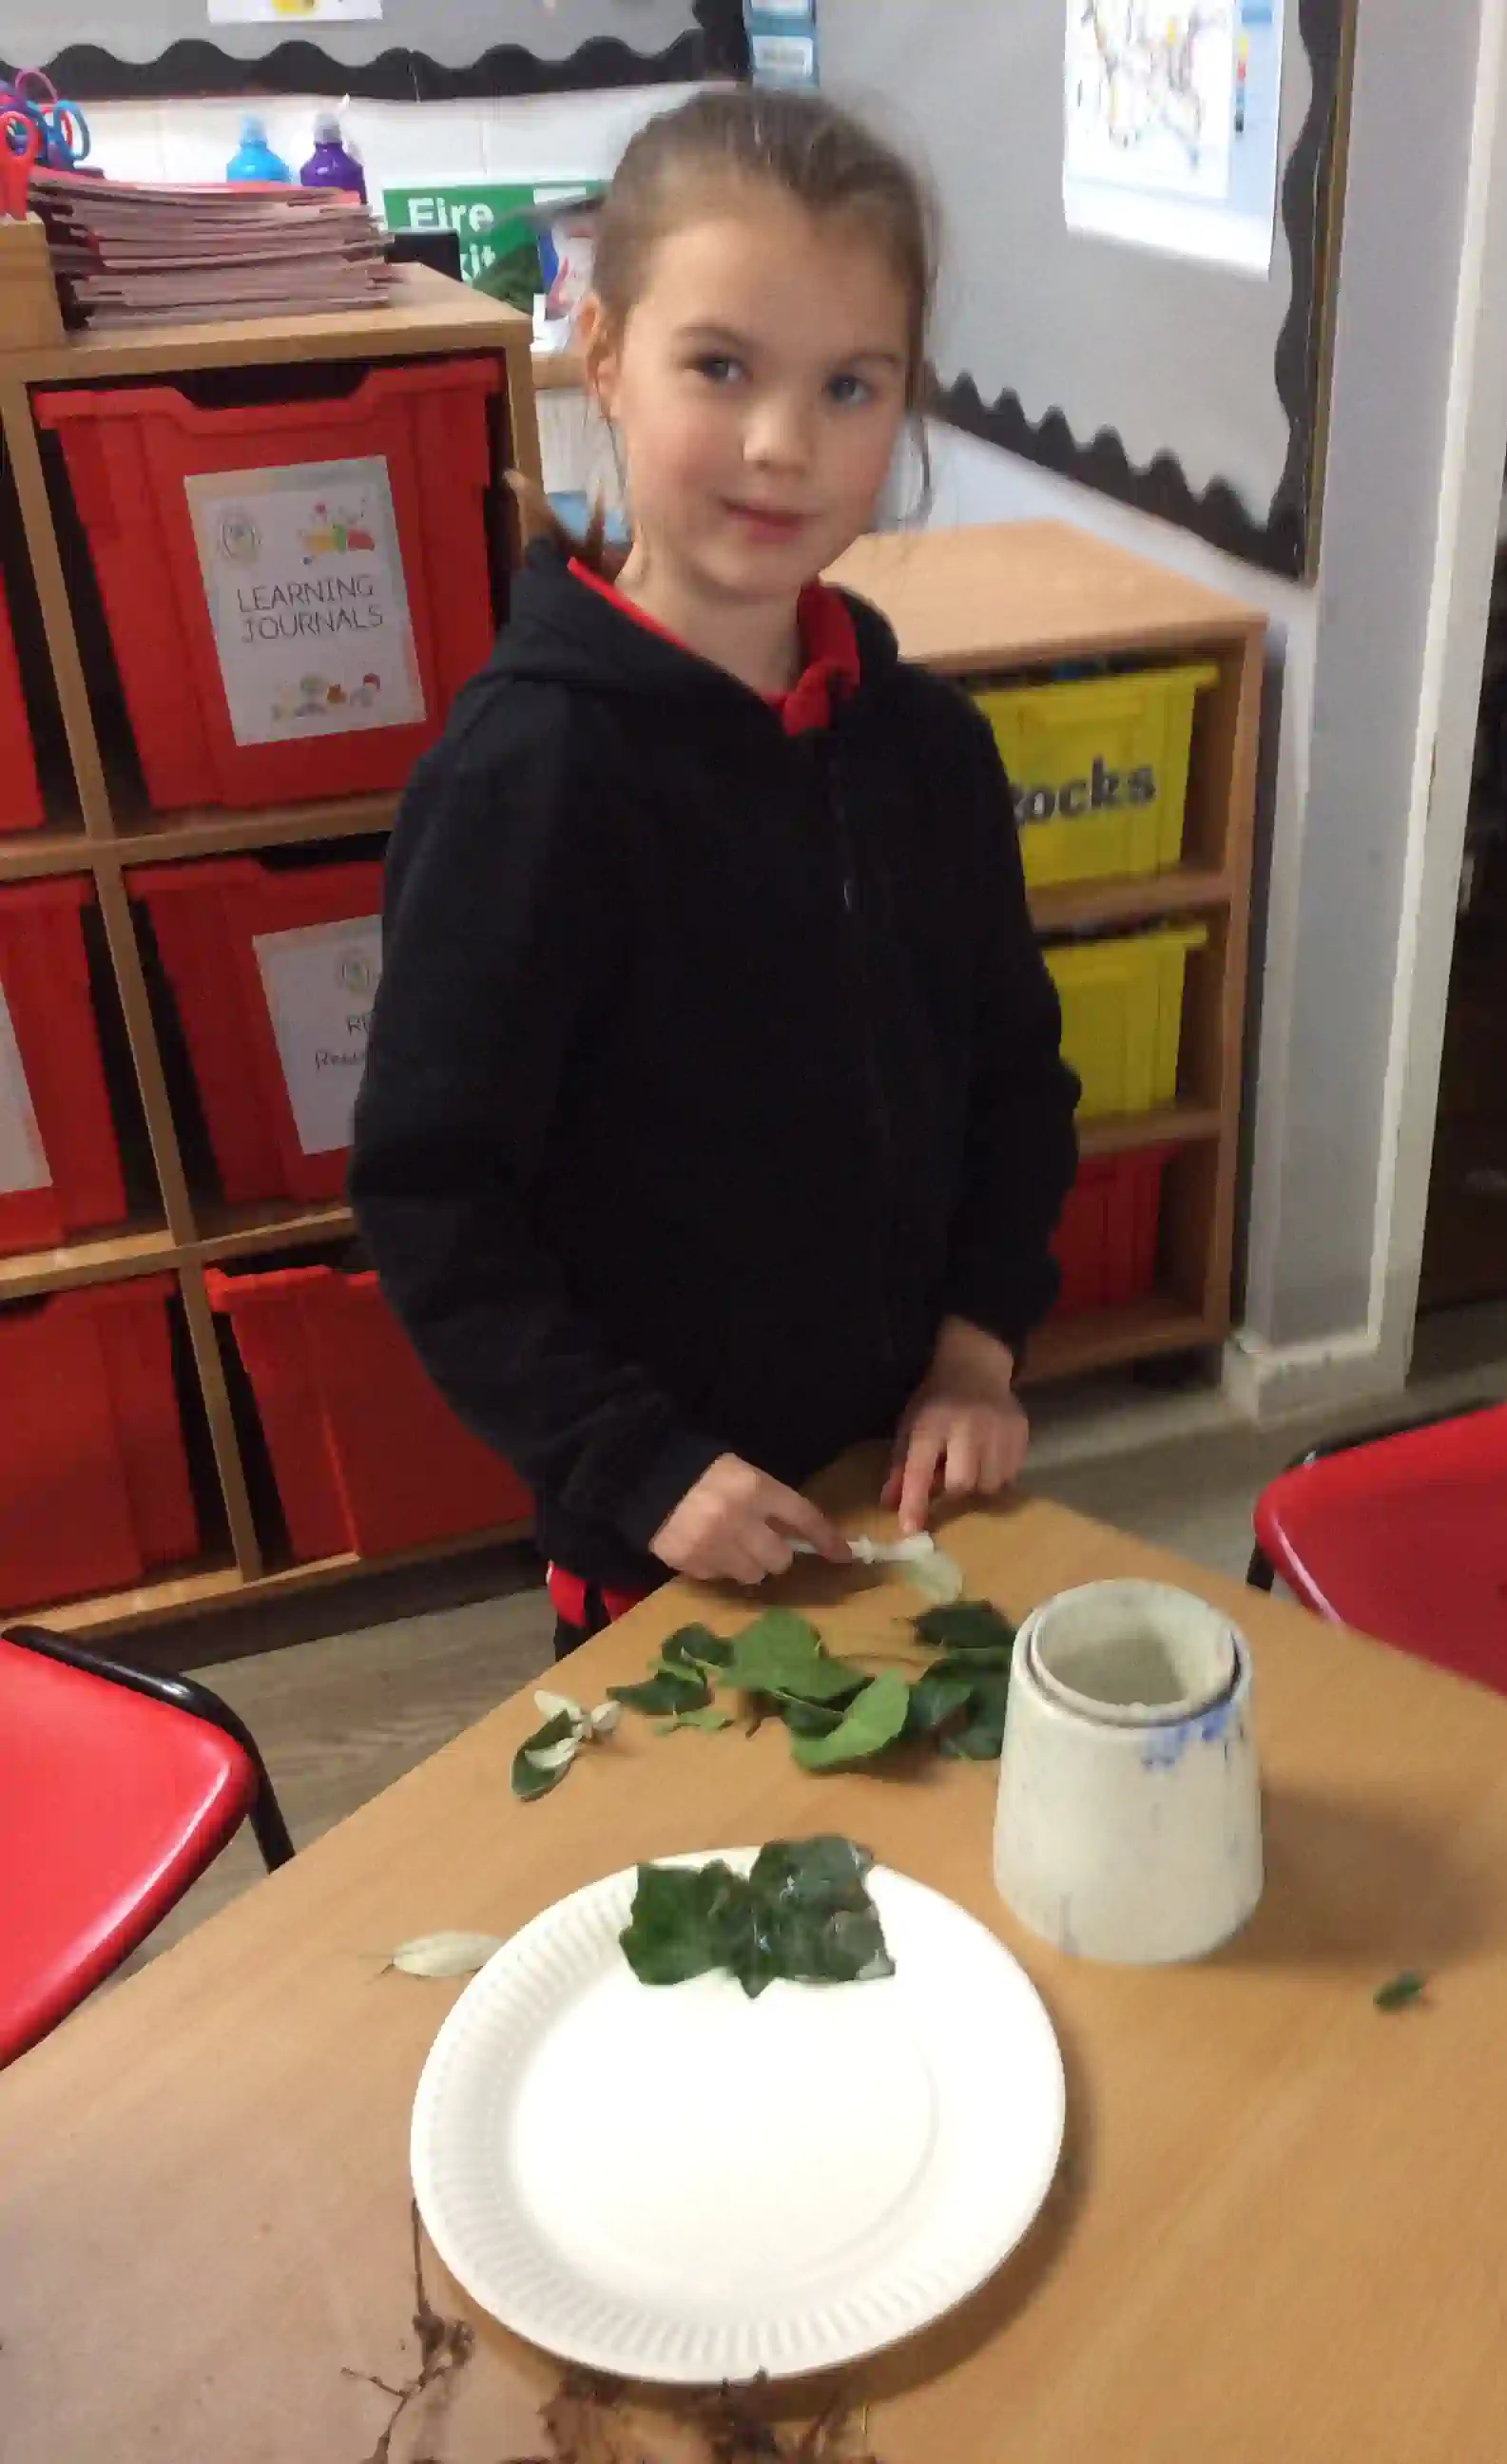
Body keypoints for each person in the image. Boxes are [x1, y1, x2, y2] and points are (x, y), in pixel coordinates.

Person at [349, 87, 1079, 1658]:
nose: (781, 445)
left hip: (912, 1491)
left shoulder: (930, 752)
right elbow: (434, 1194)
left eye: (848, 385)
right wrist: (636, 1465)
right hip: (669, 1545)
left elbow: (1018, 1083)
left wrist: (978, 1349)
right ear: (604, 355)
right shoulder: (531, 777)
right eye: (722, 367)